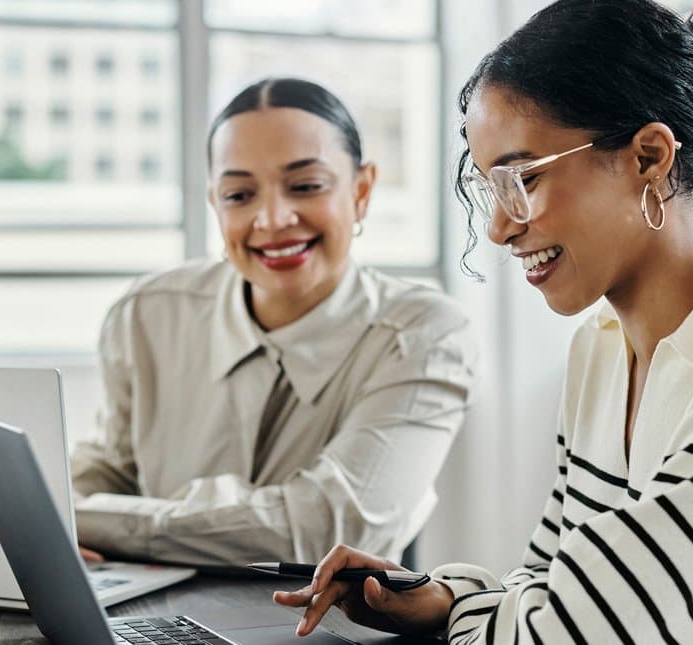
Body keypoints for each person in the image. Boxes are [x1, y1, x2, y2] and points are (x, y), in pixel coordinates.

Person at [277, 1, 693, 641]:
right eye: (489, 187)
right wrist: (443, 599)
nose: (498, 227)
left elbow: (575, 633)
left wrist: (475, 614)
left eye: (522, 177)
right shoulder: (602, 349)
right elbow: (550, 581)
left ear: (649, 157)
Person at [69, 78, 476, 567]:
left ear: (362, 191)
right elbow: (109, 471)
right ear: (214, 205)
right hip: (156, 618)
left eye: (305, 187)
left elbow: (331, 532)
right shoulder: (148, 313)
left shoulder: (424, 334)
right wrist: (51, 519)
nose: (273, 219)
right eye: (239, 195)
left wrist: (91, 520)